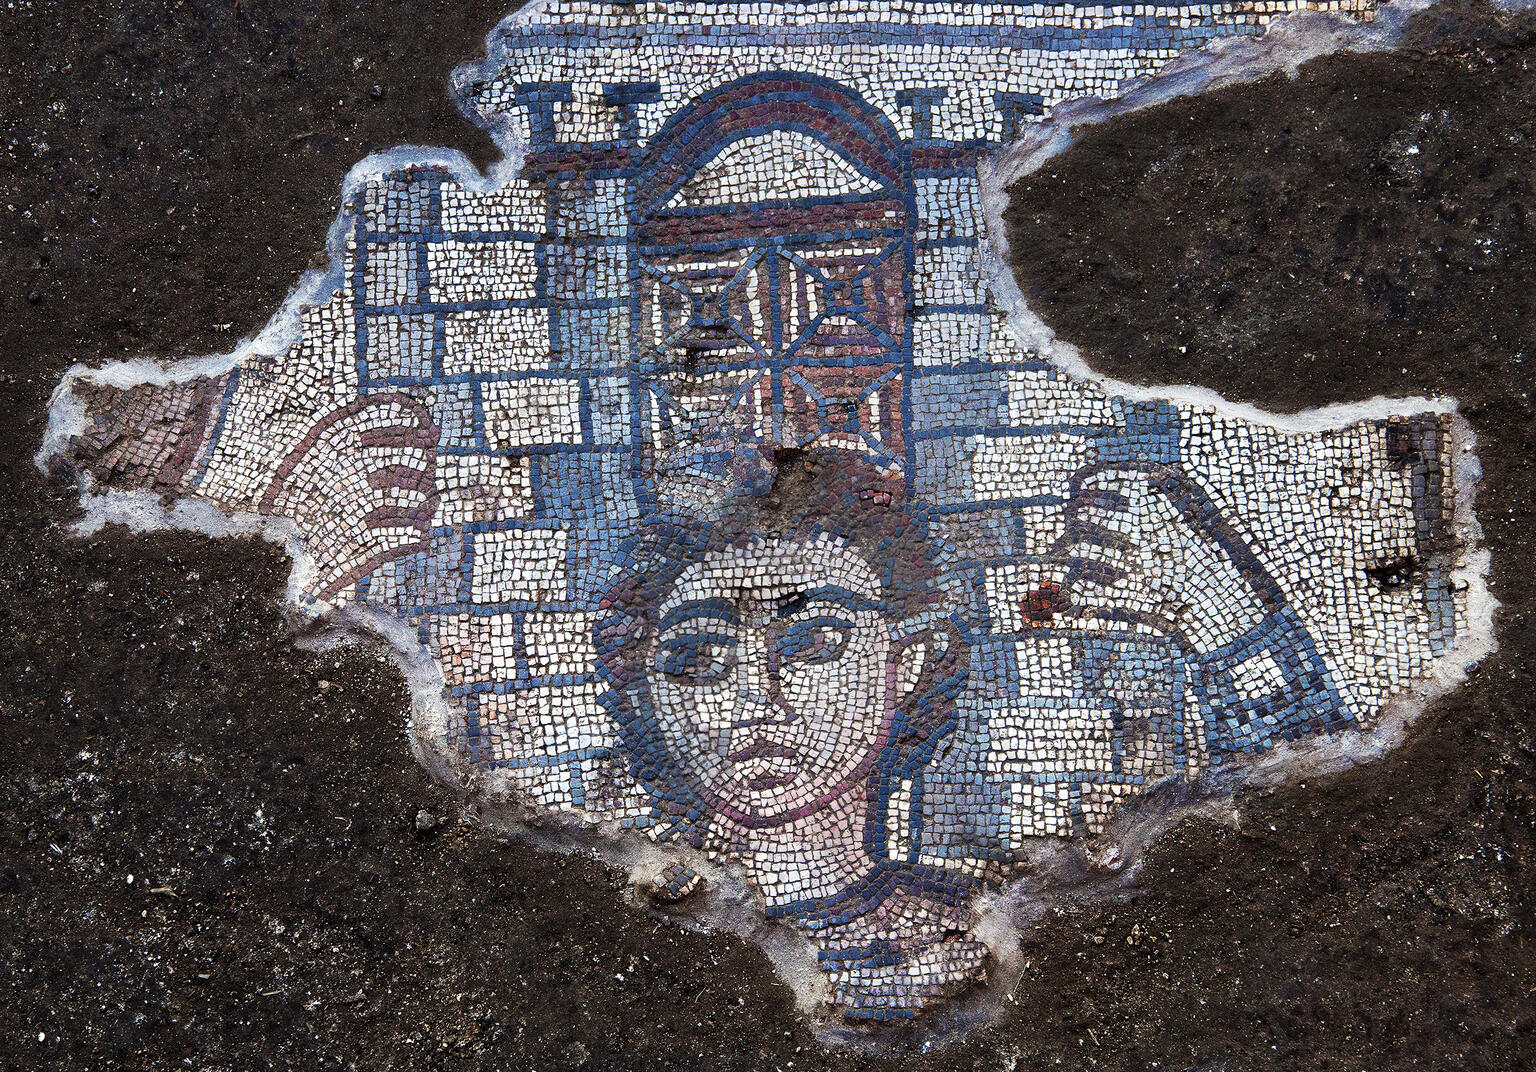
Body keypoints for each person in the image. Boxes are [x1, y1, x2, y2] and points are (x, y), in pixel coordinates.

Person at [594, 449, 989, 1019]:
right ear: (648, 695)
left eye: (811, 644)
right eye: (700, 657)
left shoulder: (954, 929)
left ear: (906, 665)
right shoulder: (657, 930)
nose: (758, 694)